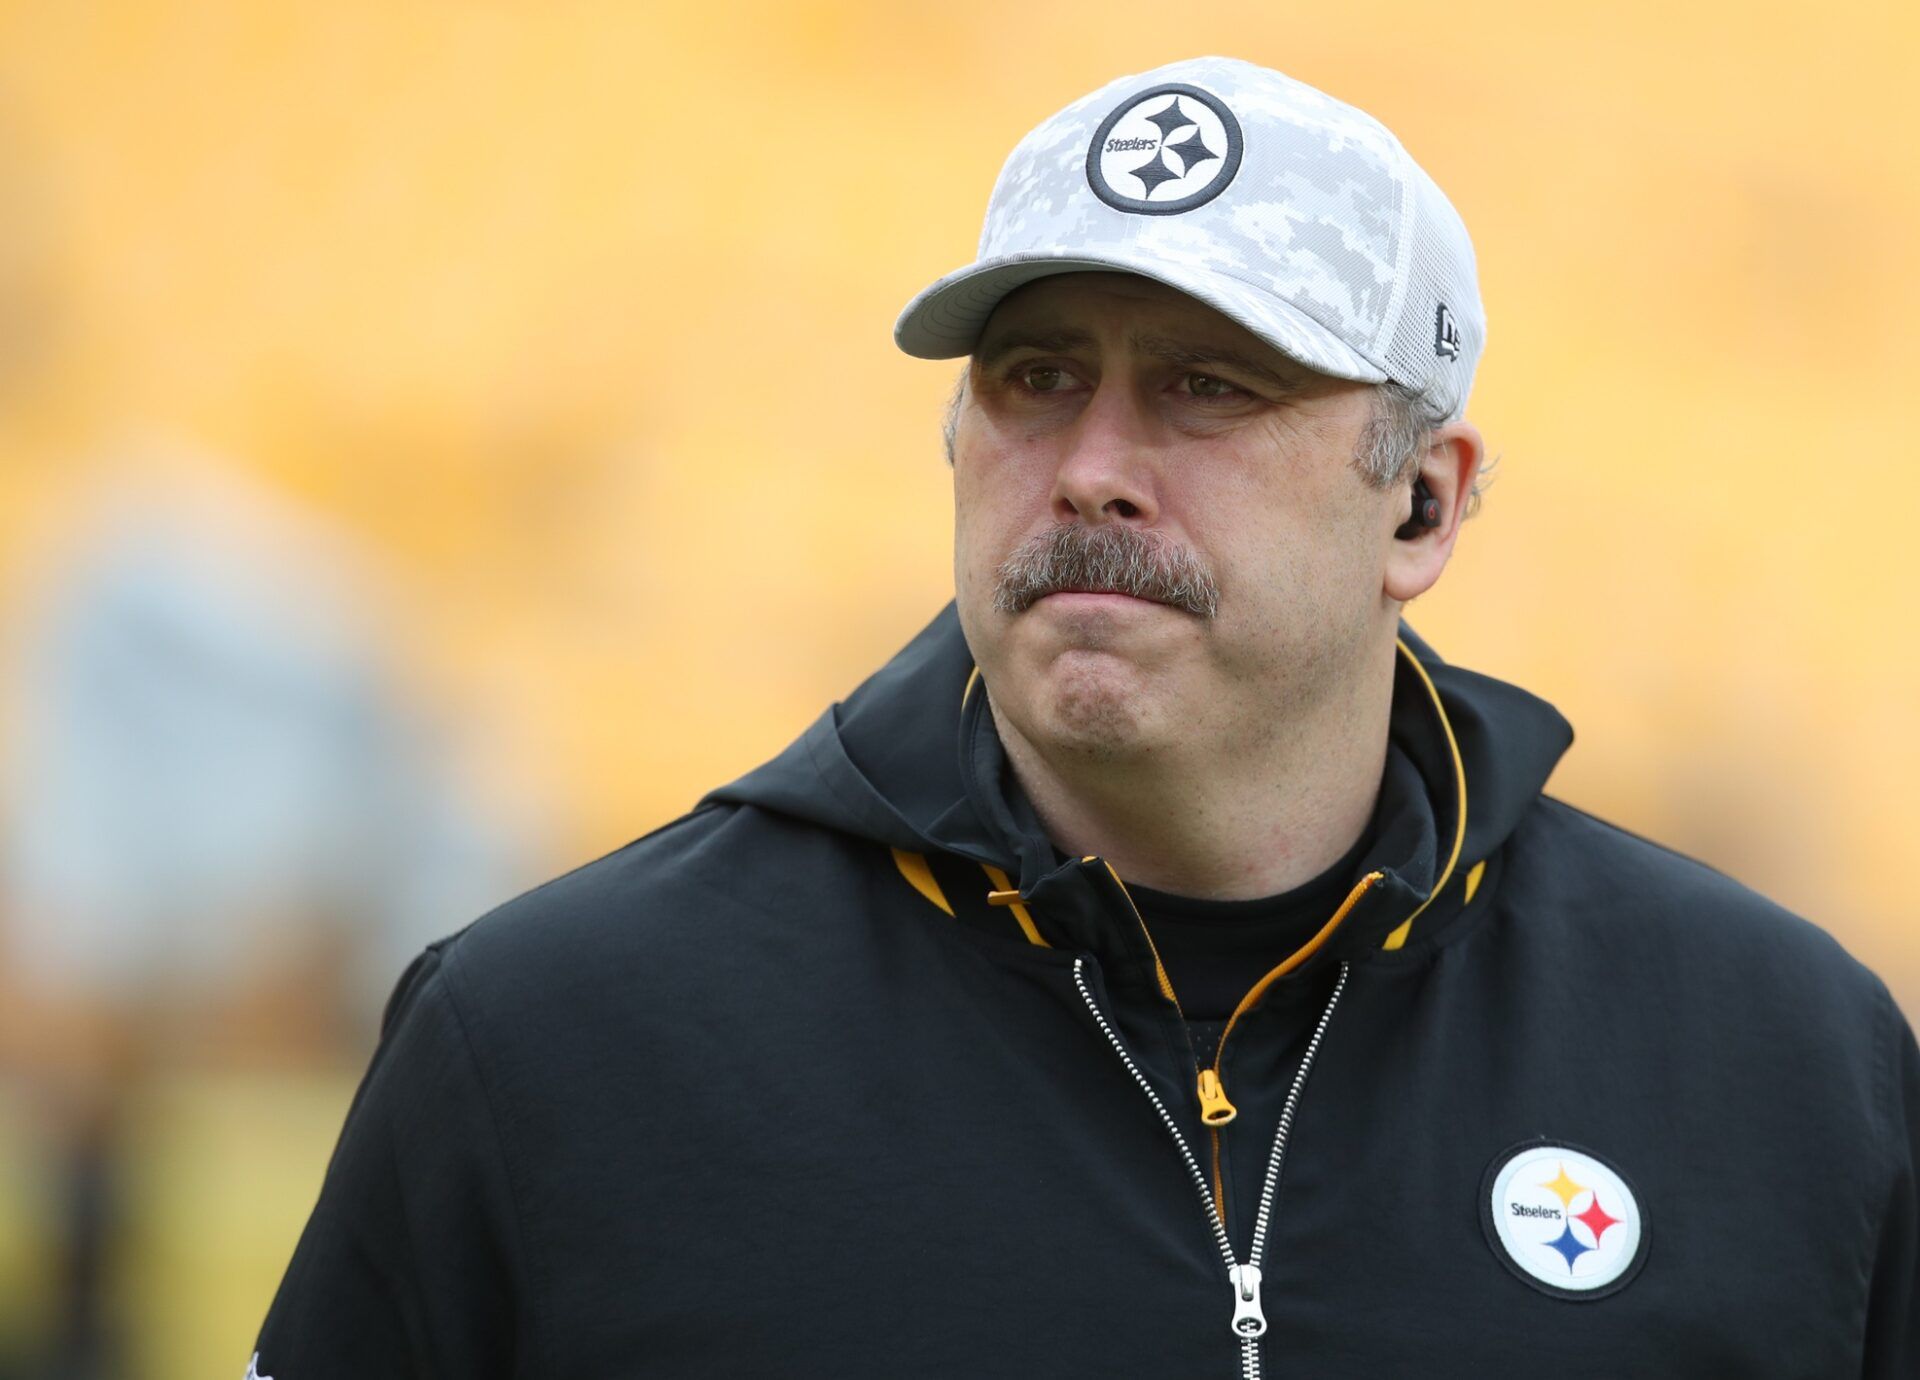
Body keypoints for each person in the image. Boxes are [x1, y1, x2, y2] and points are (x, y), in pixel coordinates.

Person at [251, 55, 1918, 1378]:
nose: (1093, 461)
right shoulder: (554, 1043)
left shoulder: (1784, 1067)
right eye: (1035, 376)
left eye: (1211, 382)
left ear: (1422, 502)